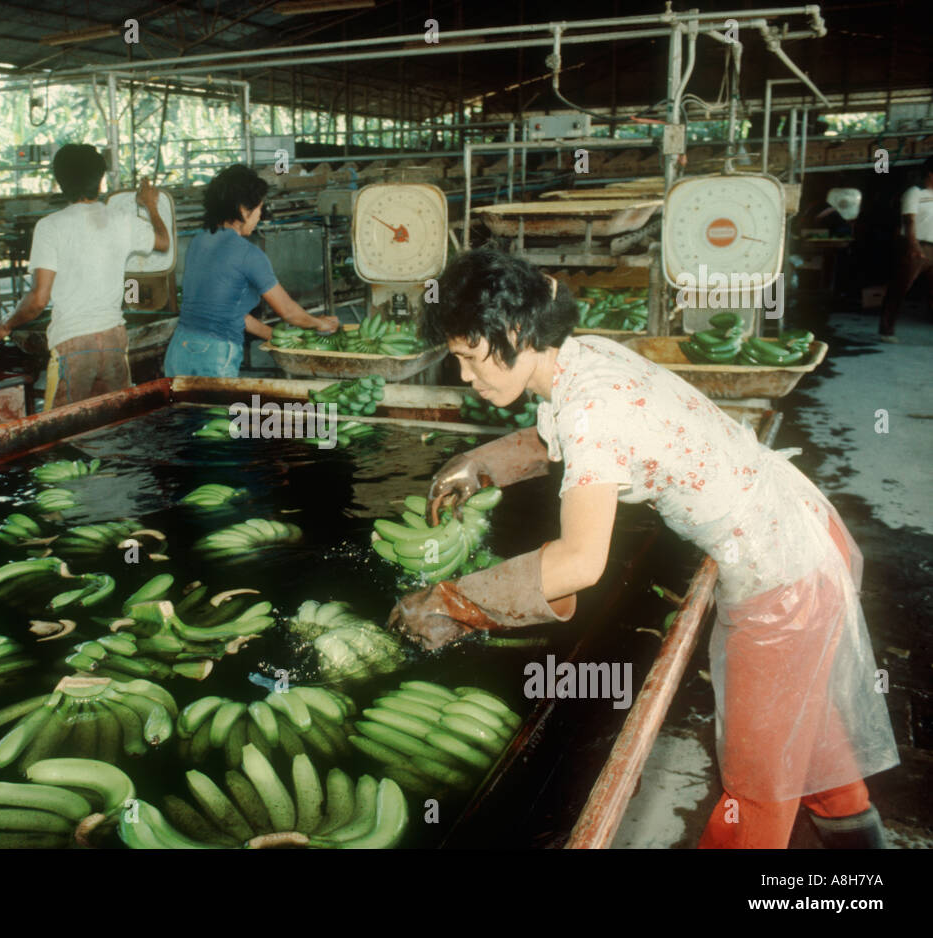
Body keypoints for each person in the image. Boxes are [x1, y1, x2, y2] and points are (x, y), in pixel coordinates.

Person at [387, 249, 899, 850]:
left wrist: (453, 601)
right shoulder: (582, 358)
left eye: (470, 357)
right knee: (798, 723)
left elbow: (581, 560)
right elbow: (563, 436)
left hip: (780, 574)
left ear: (516, 331)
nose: (466, 376)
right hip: (797, 531)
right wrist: (481, 464)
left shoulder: (591, 410)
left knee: (758, 782)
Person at [0, 144, 169, 408]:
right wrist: (150, 205)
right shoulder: (122, 220)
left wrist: (4, 326)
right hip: (115, 339)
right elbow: (163, 241)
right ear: (101, 181)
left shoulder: (50, 227)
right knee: (114, 430)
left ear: (60, 182)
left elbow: (37, 300)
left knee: (60, 435)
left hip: (73, 344)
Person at [164, 164, 338, 378]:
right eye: (259, 209)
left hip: (178, 349)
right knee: (216, 412)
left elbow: (227, 312)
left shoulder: (199, 242)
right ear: (243, 210)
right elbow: (289, 312)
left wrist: (272, 335)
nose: (259, 217)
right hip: (215, 354)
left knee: (184, 411)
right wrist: (320, 323)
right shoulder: (248, 254)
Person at [879, 155, 933, 343]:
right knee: (900, 288)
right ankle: (887, 330)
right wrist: (913, 245)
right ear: (930, 174)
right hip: (915, 245)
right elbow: (908, 220)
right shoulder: (914, 193)